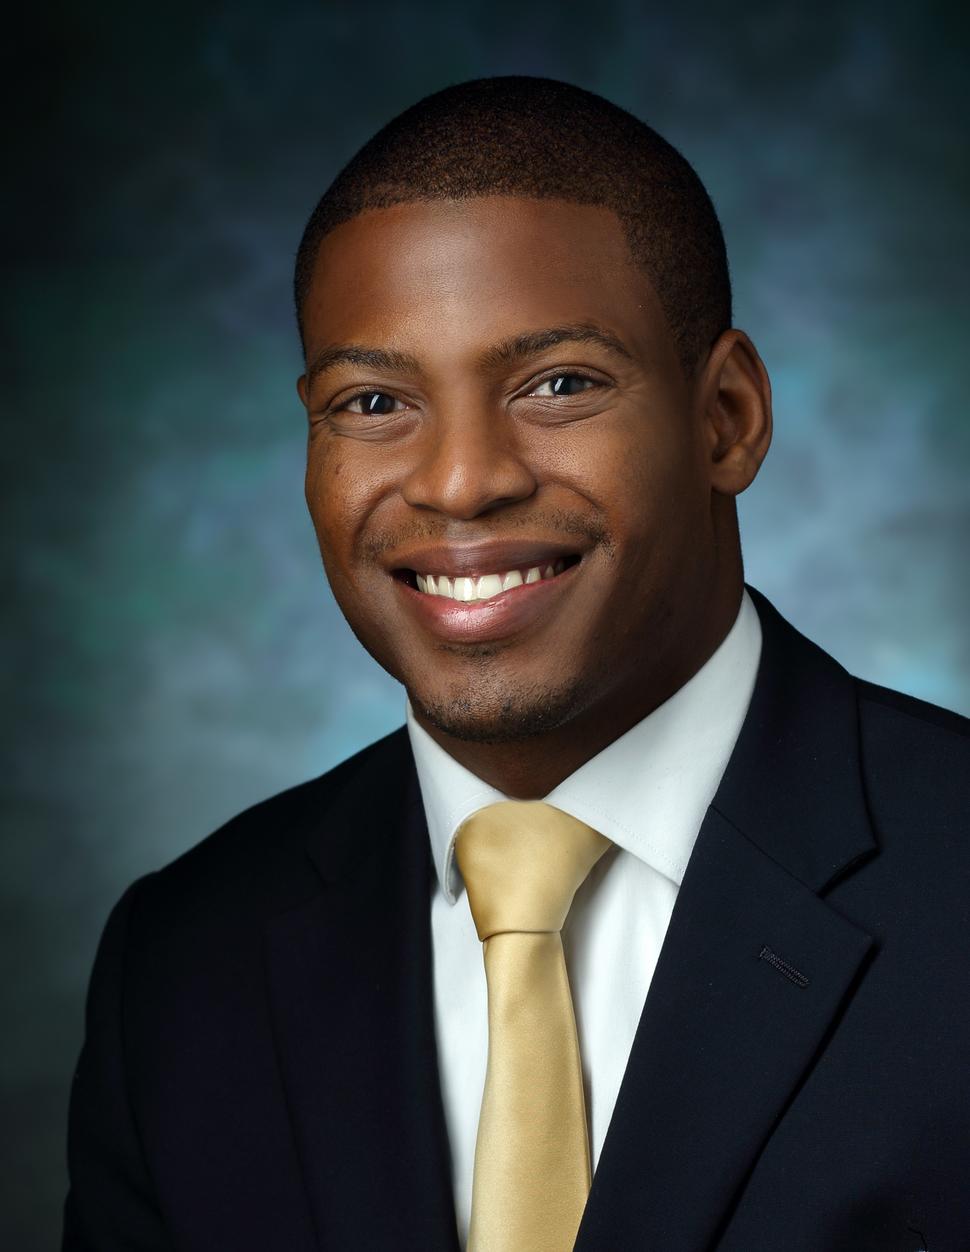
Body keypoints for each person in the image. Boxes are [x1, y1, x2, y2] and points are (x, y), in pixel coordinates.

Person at [63, 76, 969, 1252]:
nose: (459, 482)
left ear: (727, 416)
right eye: (373, 400)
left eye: (558, 385)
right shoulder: (183, 961)